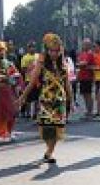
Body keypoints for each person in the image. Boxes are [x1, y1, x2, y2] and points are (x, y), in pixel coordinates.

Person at [17, 32, 72, 164]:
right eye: (51, 50)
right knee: (48, 128)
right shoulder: (41, 64)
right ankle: (49, 151)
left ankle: (49, 152)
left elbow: (68, 85)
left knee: (58, 128)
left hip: (60, 100)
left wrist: (72, 100)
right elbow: (31, 82)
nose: (54, 53)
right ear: (47, 50)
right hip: (46, 101)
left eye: (57, 51)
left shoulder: (63, 65)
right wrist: (22, 97)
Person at [76, 39, 96, 118]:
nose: (84, 45)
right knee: (84, 94)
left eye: (86, 44)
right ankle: (88, 110)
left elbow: (84, 63)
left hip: (88, 77)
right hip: (82, 76)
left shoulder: (90, 54)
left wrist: (80, 64)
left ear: (89, 45)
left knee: (88, 94)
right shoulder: (81, 54)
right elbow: (79, 63)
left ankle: (90, 111)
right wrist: (80, 64)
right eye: (83, 44)